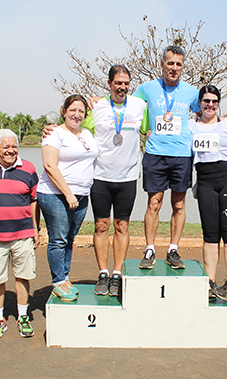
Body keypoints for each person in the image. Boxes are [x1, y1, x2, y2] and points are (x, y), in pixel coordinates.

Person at [79, 65, 148, 297]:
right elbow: (76, 128)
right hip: (100, 177)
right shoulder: (97, 107)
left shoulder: (139, 106)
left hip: (128, 177)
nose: (122, 87)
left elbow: (152, 128)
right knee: (101, 226)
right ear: (109, 83)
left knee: (122, 226)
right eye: (118, 83)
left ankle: (117, 274)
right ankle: (103, 273)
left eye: (126, 83)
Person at [134, 45, 200, 270]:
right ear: (162, 64)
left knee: (179, 204)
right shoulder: (147, 88)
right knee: (154, 203)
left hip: (181, 154)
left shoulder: (192, 92)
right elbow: (127, 107)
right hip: (155, 154)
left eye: (178, 64)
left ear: (183, 67)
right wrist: (144, 127)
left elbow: (207, 114)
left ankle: (173, 249)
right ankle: (150, 249)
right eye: (170, 63)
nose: (174, 68)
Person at [189, 85, 227, 301]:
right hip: (205, 182)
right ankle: (210, 282)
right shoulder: (190, 127)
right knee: (210, 235)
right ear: (199, 103)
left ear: (218, 103)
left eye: (214, 101)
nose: (210, 105)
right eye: (206, 101)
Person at [37, 95, 99, 302]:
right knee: (59, 239)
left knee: (69, 239)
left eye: (81, 111)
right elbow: (49, 165)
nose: (77, 114)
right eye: (73, 110)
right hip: (56, 195)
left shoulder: (88, 134)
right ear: (64, 111)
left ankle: (64, 277)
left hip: (81, 195)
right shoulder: (54, 133)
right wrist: (68, 193)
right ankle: (58, 281)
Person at [0, 129, 40, 339]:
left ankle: (23, 316)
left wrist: (36, 229)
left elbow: (34, 201)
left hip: (23, 234)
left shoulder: (29, 169)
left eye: (14, 146)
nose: (11, 150)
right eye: (6, 147)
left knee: (23, 276)